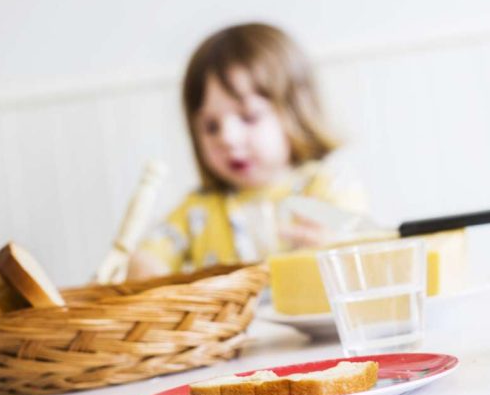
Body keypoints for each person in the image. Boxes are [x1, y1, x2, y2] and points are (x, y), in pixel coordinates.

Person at [127, 23, 366, 278]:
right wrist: (142, 266)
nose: (228, 139)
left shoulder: (326, 187)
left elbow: (363, 255)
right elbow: (149, 257)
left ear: (294, 112)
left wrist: (336, 246)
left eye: (249, 117)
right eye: (211, 126)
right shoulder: (196, 209)